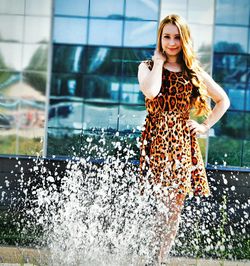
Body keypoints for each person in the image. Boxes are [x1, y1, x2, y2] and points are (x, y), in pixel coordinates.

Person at [137, 14, 230, 264]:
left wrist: (204, 126)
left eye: (176, 37)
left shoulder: (193, 72)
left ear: (184, 39)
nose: (171, 42)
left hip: (181, 144)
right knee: (160, 206)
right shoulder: (146, 66)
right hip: (156, 142)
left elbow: (223, 100)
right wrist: (158, 62)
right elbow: (151, 91)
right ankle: (150, 256)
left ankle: (159, 259)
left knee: (174, 208)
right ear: (160, 38)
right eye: (166, 36)